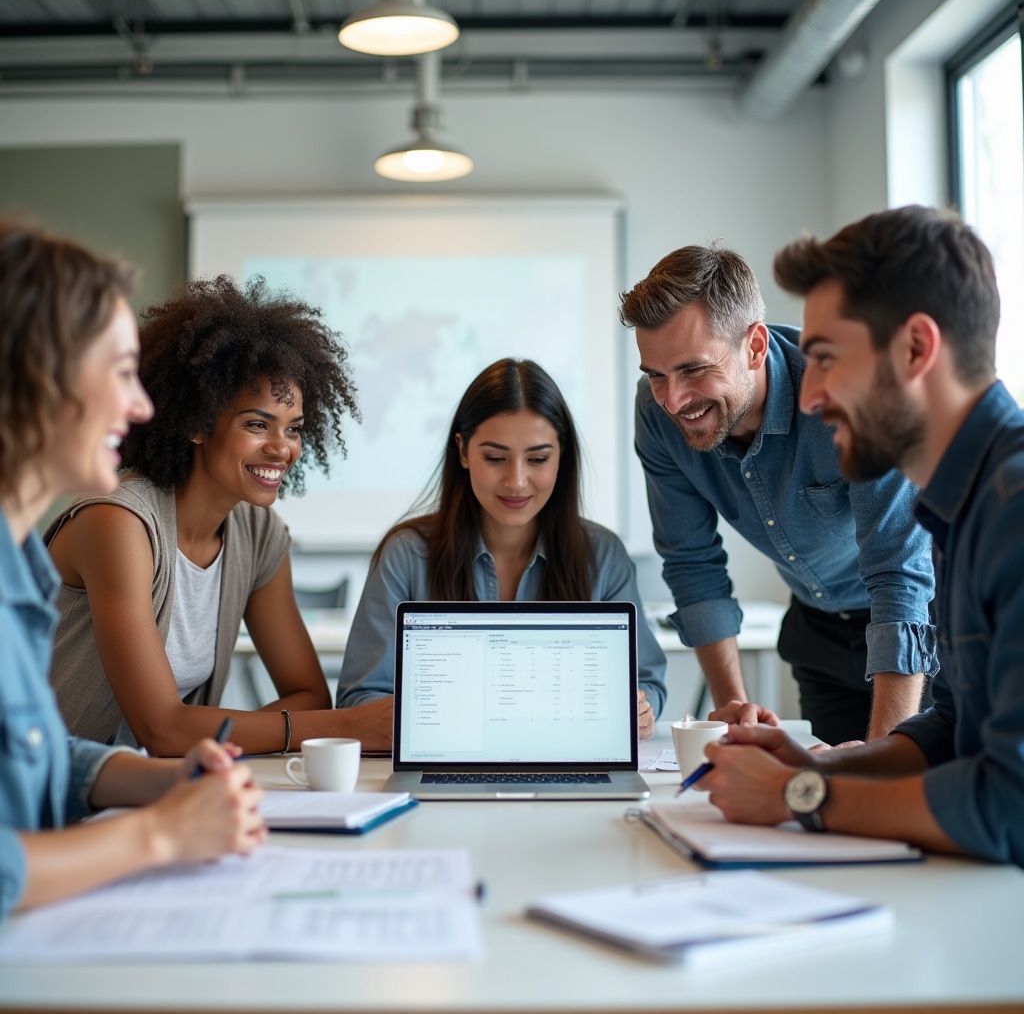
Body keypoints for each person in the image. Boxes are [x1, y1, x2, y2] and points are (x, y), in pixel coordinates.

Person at [696, 205, 1024, 866]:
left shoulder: (1013, 509)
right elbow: (954, 729)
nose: (810, 395)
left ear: (915, 349)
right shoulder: (963, 506)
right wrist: (821, 767)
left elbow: (1011, 806)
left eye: (824, 359)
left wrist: (801, 796)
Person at [0, 221, 265, 921]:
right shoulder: (107, 524)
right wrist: (162, 832)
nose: (143, 407)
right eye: (121, 374)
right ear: (38, 376)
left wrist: (169, 779)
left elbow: (34, 756)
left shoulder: (19, 563)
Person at [46, 275, 393, 756]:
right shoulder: (118, 524)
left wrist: (208, 729)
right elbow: (163, 729)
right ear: (194, 423)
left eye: (294, 429)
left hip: (150, 789)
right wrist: (343, 727)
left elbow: (309, 693)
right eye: (257, 425)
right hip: (46, 798)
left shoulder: (258, 534)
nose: (282, 449)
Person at [620, 244, 937, 745]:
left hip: (923, 628)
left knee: (907, 801)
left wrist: (882, 764)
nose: (674, 400)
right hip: (819, 632)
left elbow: (899, 574)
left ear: (755, 346)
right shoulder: (656, 415)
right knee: (824, 806)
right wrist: (732, 702)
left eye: (693, 369)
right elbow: (691, 560)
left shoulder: (854, 396)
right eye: (656, 375)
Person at [335, 358, 667, 738]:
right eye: (495, 459)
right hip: (444, 761)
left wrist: (639, 708)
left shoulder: (603, 556)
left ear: (562, 456)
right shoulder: (406, 556)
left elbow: (647, 684)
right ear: (462, 452)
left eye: (538, 459)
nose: (517, 481)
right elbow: (359, 698)